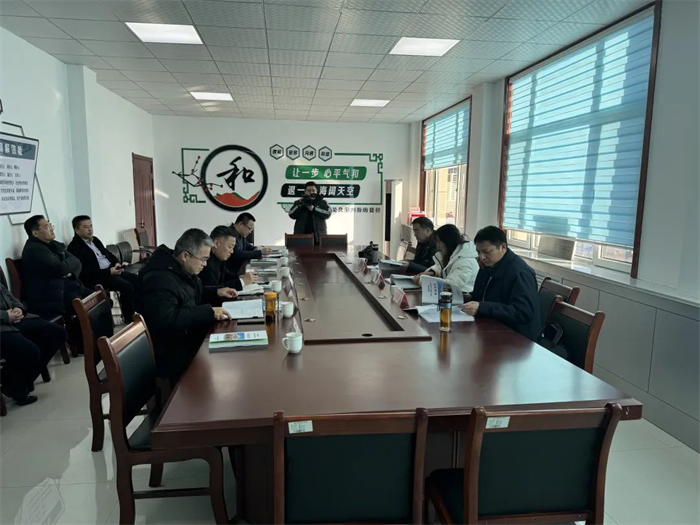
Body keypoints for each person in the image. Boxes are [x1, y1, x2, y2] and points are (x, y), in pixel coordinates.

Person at [137, 228, 236, 381]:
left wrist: (217, 292)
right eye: (203, 259)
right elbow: (168, 319)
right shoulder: (159, 279)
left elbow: (188, 294)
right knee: (226, 366)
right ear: (185, 256)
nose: (205, 264)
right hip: (172, 352)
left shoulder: (180, 269)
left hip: (187, 337)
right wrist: (208, 312)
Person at [460, 226, 540, 341]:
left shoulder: (520, 272)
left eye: (487, 252)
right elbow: (483, 296)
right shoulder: (488, 265)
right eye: (478, 252)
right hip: (489, 328)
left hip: (516, 339)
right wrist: (465, 298)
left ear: (503, 247)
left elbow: (523, 313)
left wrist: (482, 308)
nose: (482, 257)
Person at [1, 283, 67, 406]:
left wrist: (19, 308)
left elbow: (9, 295)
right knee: (30, 351)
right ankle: (15, 386)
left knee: (57, 334)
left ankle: (13, 382)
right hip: (3, 326)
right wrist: (5, 316)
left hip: (14, 319)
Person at [67, 215, 139, 320]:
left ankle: (140, 311)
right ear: (77, 230)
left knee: (137, 279)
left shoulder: (95, 240)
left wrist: (116, 263)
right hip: (99, 276)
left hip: (111, 270)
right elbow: (86, 272)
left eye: (91, 226)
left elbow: (108, 254)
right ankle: (130, 317)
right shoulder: (75, 247)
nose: (90, 229)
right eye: (86, 227)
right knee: (127, 286)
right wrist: (109, 272)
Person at [21, 215, 91, 319]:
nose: (51, 229)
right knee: (88, 308)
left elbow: (77, 261)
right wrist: (66, 268)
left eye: (50, 225)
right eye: (46, 227)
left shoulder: (53, 244)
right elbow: (60, 269)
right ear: (35, 233)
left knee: (102, 300)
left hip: (67, 287)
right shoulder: (34, 250)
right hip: (52, 297)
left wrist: (70, 273)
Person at [412, 224, 479, 292]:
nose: (437, 245)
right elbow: (442, 267)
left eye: (439, 242)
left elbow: (449, 285)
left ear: (448, 242)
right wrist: (432, 272)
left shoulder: (465, 262)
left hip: (464, 296)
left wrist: (421, 281)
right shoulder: (452, 255)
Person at [200, 225, 255, 295]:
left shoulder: (219, 257)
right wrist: (241, 282)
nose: (232, 251)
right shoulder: (206, 263)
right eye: (230, 247)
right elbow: (216, 290)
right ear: (216, 243)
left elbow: (226, 274)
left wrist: (240, 277)